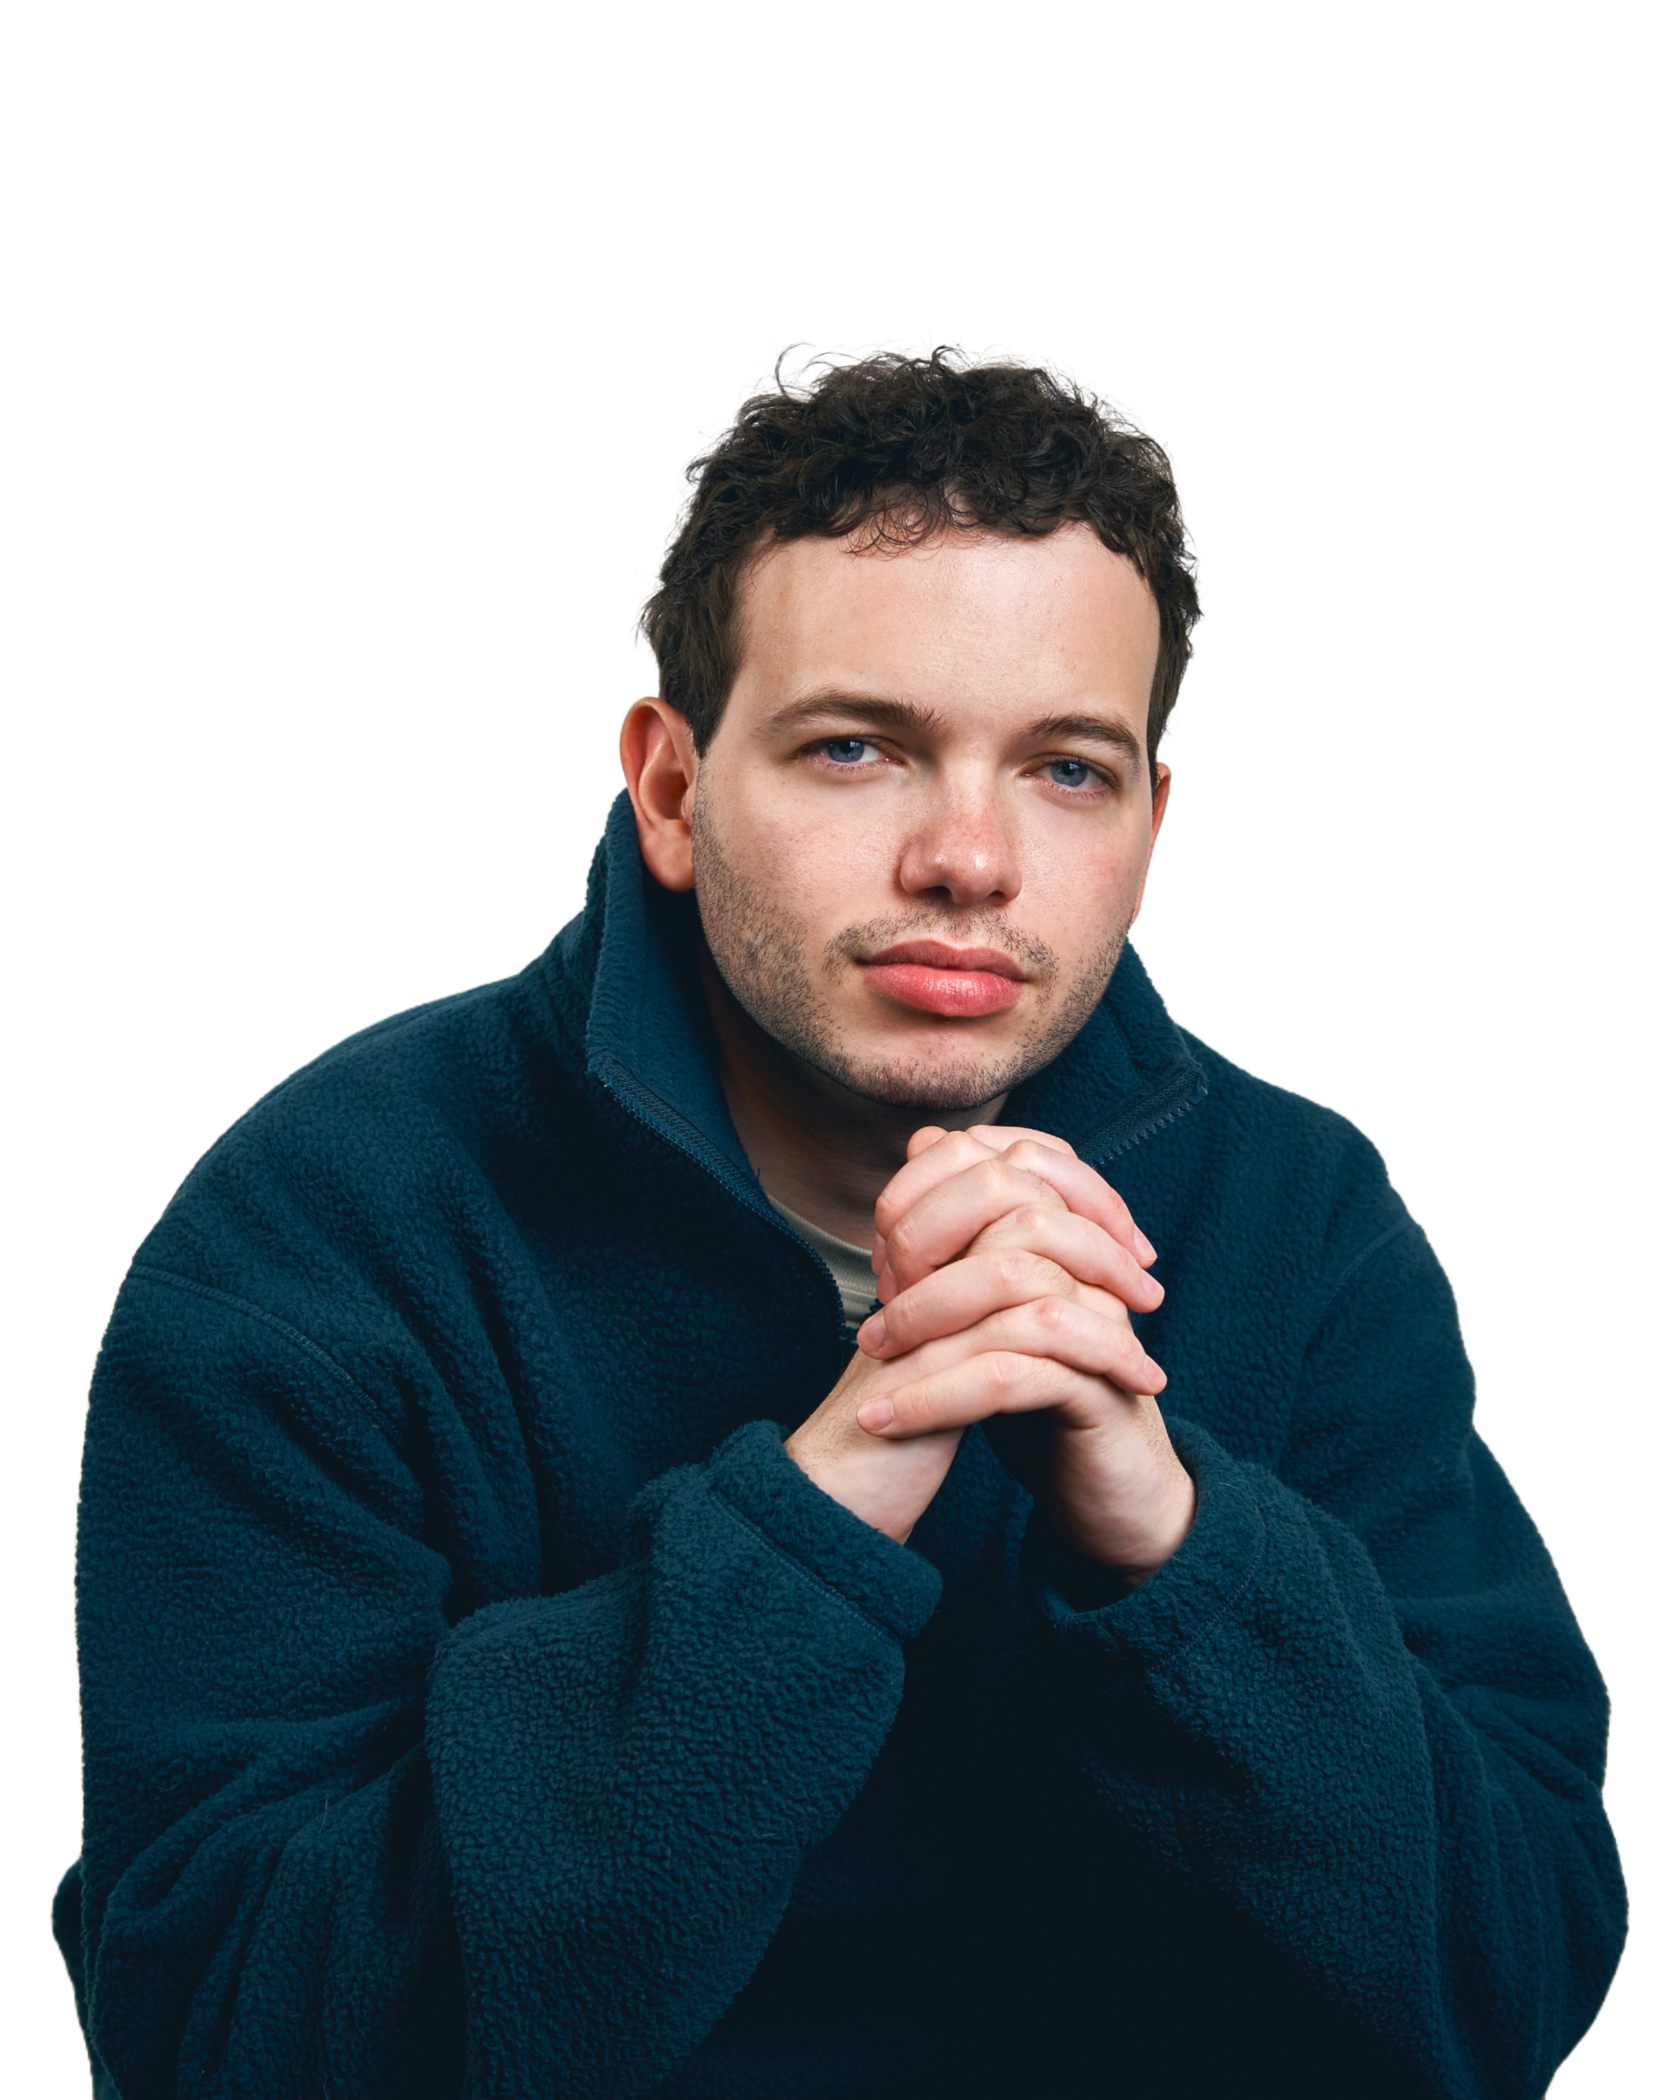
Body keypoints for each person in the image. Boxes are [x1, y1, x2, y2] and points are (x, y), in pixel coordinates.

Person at [53, 338, 1625, 2098]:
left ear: (1153, 821)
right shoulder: (323, 1231)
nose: (969, 857)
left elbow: (1511, 1976)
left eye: (1068, 769)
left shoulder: (1303, 1219)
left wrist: (1175, 1552)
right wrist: (824, 1511)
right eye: (859, 747)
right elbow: (222, 2039)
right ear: (670, 786)